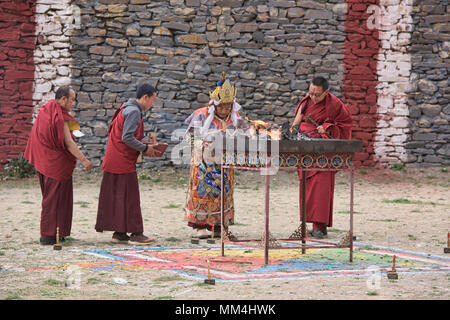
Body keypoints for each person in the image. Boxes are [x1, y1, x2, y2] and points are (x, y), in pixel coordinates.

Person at [95, 83, 167, 244]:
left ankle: (120, 232)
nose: (152, 104)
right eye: (152, 100)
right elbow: (126, 138)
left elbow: (125, 135)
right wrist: (145, 148)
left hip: (115, 158)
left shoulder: (126, 108)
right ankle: (136, 233)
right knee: (131, 197)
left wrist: (145, 143)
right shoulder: (134, 111)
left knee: (120, 197)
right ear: (145, 97)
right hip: (122, 161)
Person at [24, 86, 93, 245]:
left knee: (55, 198)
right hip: (55, 164)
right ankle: (48, 235)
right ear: (63, 99)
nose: (73, 103)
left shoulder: (44, 112)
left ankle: (58, 232)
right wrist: (84, 160)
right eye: (72, 99)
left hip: (44, 161)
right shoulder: (58, 117)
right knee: (54, 199)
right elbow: (69, 143)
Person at [183, 75, 248, 239]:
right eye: (221, 108)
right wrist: (202, 146)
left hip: (225, 161)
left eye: (228, 108)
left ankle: (219, 226)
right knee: (203, 192)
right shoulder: (201, 115)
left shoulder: (236, 119)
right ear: (214, 105)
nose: (224, 111)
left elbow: (245, 136)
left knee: (224, 193)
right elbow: (189, 137)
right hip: (204, 163)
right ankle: (201, 227)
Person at [292, 76, 353, 238]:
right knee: (308, 188)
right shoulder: (306, 101)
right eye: (310, 93)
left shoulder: (335, 105)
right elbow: (296, 122)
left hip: (324, 152)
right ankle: (314, 224)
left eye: (316, 94)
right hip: (305, 149)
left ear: (326, 92)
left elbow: (345, 124)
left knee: (321, 189)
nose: (312, 97)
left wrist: (327, 128)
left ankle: (320, 226)